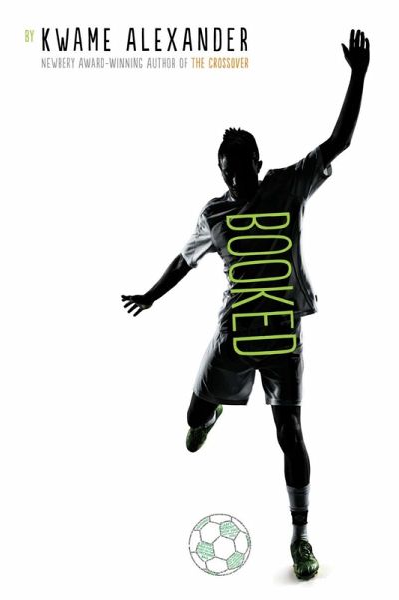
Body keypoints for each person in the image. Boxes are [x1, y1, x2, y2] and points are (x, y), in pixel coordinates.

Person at [122, 29, 370, 580]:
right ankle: (209, 413)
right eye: (225, 171)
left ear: (258, 161)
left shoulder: (289, 186)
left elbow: (340, 141)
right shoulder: (215, 213)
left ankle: (301, 538)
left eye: (240, 168)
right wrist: (151, 295)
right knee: (192, 420)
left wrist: (358, 75)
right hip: (234, 335)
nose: (234, 179)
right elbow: (184, 260)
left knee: (291, 434)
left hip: (281, 336)